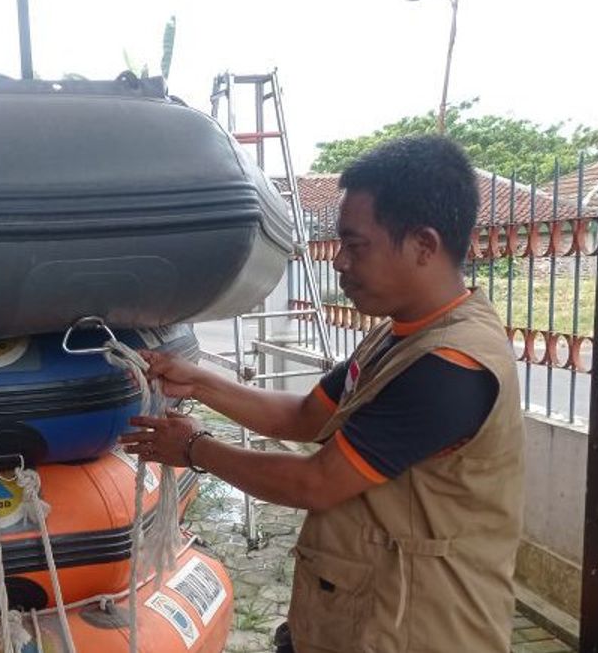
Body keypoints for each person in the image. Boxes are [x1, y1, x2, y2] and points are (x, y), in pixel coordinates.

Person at [119, 135, 524, 652]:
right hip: (359, 612)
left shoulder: (452, 366)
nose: (340, 264)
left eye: (356, 247)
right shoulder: (399, 334)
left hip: (418, 629)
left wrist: (196, 448)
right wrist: (198, 381)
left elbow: (315, 482)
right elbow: (307, 416)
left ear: (424, 245)